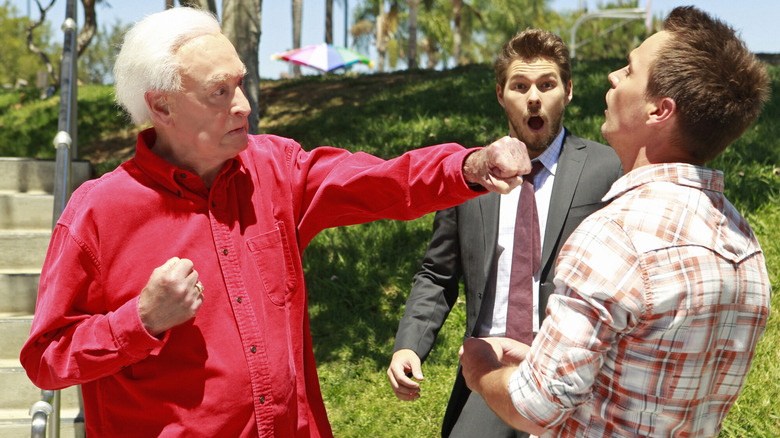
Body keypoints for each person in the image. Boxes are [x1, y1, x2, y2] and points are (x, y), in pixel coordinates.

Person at [19, 7, 533, 438]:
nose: (244, 105)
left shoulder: (274, 169)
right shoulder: (98, 211)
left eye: (241, 84)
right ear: (162, 106)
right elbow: (46, 358)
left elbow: (376, 181)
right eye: (220, 92)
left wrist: (468, 166)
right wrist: (141, 321)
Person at [459, 6, 772, 437]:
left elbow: (535, 408)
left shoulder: (614, 236)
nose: (612, 76)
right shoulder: (746, 245)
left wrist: (480, 371)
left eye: (629, 70)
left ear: (659, 111)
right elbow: (640, 379)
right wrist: (539, 360)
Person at [386, 29, 622, 438]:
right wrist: (408, 344)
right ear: (500, 94)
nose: (534, 97)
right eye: (520, 85)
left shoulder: (607, 167)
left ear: (567, 92)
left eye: (546, 85)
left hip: (573, 369)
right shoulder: (469, 174)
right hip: (490, 369)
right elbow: (438, 274)